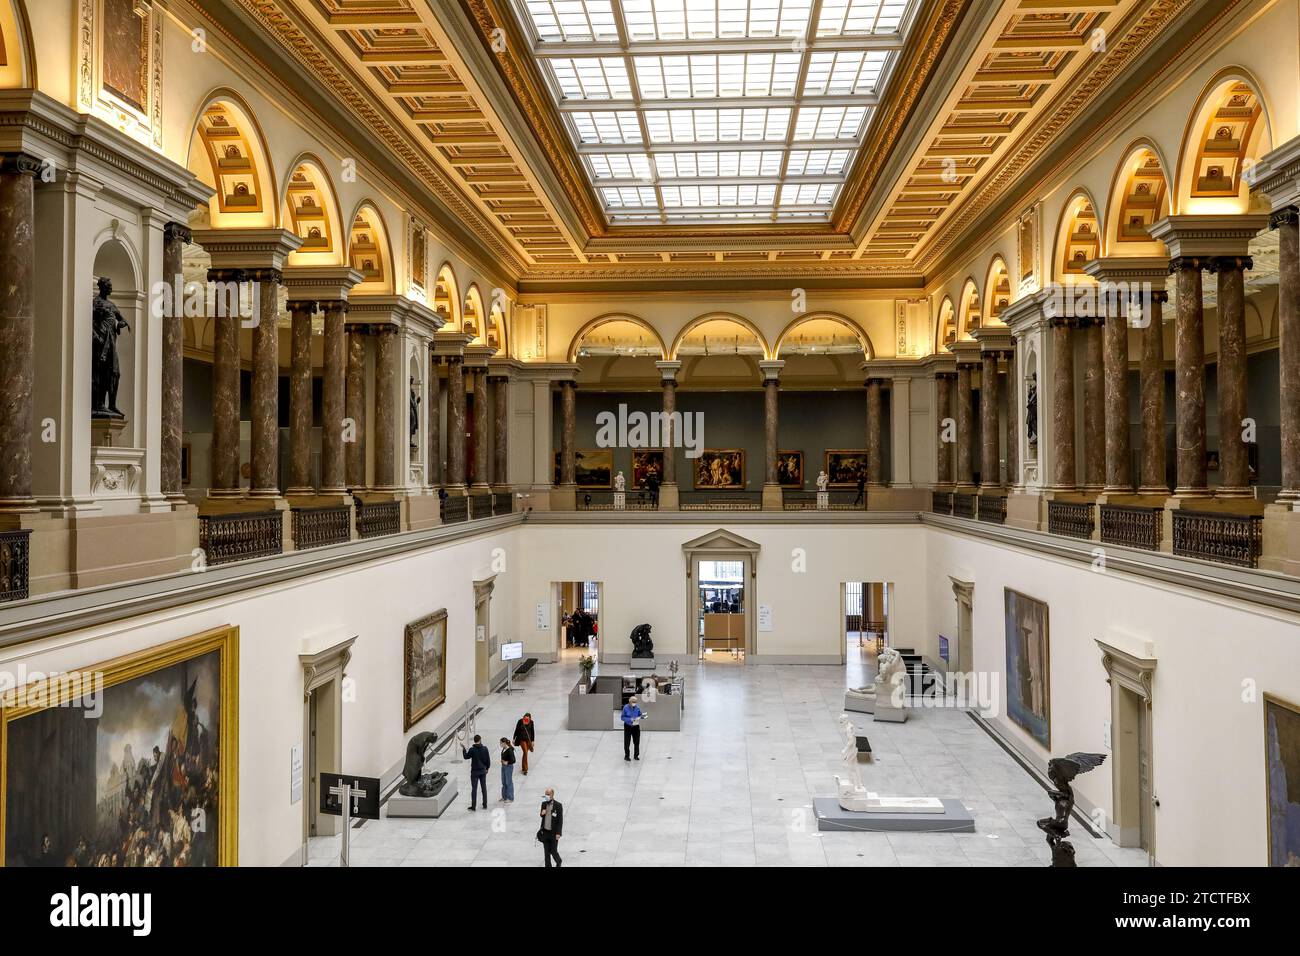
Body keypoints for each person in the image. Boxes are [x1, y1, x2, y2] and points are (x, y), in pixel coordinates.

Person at [461, 734, 491, 811]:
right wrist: (487, 768)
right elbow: (488, 760)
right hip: (483, 771)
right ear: (480, 740)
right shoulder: (485, 749)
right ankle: (485, 804)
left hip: (474, 772)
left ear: (474, 741)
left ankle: (473, 806)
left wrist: (464, 749)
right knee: (483, 788)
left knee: (474, 789)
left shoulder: (472, 750)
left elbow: (466, 757)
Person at [538, 788, 563, 868]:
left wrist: (558, 833)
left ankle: (558, 861)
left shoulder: (558, 806)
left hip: (553, 833)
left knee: (553, 851)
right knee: (546, 852)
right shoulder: (544, 804)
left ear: (552, 795)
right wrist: (542, 813)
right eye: (545, 794)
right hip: (545, 832)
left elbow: (560, 821)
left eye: (548, 794)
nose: (546, 796)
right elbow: (542, 815)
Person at [621, 695, 643, 761]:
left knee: (636, 741)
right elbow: (622, 717)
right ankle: (627, 756)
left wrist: (642, 716)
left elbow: (639, 714)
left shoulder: (637, 707)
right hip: (628, 726)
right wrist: (630, 719)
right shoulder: (625, 707)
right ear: (630, 702)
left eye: (635, 702)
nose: (634, 703)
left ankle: (636, 755)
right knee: (627, 742)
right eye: (633, 702)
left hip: (636, 726)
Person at [499, 737, 516, 803]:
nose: (500, 744)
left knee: (508, 782)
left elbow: (513, 760)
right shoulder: (504, 749)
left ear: (504, 743)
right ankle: (504, 796)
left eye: (501, 743)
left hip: (508, 767)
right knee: (503, 782)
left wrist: (507, 762)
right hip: (503, 766)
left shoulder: (510, 750)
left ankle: (510, 797)